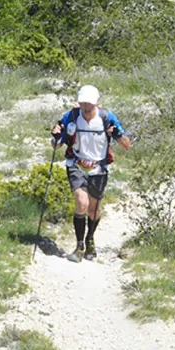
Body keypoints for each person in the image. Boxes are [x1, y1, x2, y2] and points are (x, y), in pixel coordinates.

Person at [51, 85, 131, 261]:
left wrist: (117, 135)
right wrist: (56, 136)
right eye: (83, 103)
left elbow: (127, 146)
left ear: (96, 103)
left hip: (99, 168)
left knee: (94, 209)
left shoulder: (106, 118)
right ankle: (79, 246)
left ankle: (90, 239)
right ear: (79, 102)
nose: (86, 107)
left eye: (90, 104)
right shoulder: (71, 116)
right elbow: (57, 145)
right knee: (82, 202)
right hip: (76, 164)